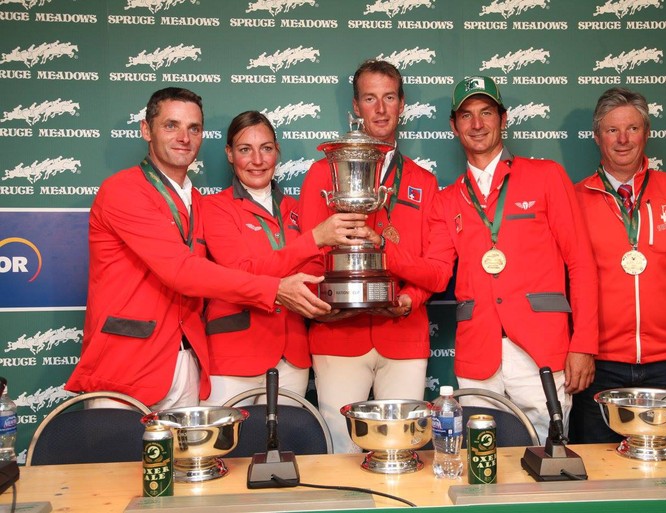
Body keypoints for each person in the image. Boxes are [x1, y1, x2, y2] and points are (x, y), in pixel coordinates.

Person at [66, 87, 333, 411]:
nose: (184, 137)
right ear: (145, 130)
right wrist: (275, 288)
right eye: (171, 125)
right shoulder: (123, 190)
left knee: (191, 462)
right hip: (128, 362)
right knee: (116, 462)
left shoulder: (194, 201)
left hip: (189, 360)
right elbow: (182, 271)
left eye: (193, 128)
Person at [381, 76, 599, 444]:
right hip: (478, 355)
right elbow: (435, 273)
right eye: (466, 116)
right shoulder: (448, 199)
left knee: (550, 455)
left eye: (486, 113)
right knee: (485, 462)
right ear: (454, 126)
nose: (477, 124)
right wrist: (381, 253)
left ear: (504, 118)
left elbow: (581, 263)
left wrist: (584, 345)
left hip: (542, 349)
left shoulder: (546, 176)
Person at [569, 87, 666, 443]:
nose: (623, 139)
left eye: (633, 128)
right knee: (598, 480)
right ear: (597, 137)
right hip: (598, 367)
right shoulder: (573, 200)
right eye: (612, 130)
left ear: (647, 133)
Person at [297, 59, 438, 453]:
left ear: (402, 104)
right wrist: (321, 306)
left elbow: (436, 266)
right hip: (338, 336)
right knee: (341, 451)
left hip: (404, 336)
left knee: (402, 449)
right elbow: (308, 261)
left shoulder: (424, 183)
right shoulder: (321, 174)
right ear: (355, 107)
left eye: (389, 97)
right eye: (370, 98)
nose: (380, 108)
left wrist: (410, 300)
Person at [199, 111, 370, 406]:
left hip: (291, 356)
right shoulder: (214, 207)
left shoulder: (295, 207)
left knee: (286, 447)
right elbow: (241, 271)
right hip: (234, 353)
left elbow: (316, 268)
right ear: (229, 154)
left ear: (277, 151)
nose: (257, 160)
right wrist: (313, 239)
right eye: (244, 150)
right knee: (226, 451)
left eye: (266, 148)